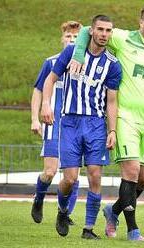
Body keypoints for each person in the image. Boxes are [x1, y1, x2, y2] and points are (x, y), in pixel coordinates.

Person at [69, 4, 144, 241]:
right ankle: (133, 230)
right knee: (131, 171)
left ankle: (114, 210)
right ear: (141, 23)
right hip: (125, 117)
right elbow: (86, 29)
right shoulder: (123, 39)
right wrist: (78, 54)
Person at [41, 15, 121, 239]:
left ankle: (88, 229)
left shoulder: (112, 65)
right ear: (92, 31)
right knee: (70, 179)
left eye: (108, 31)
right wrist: (46, 104)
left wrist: (112, 130)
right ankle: (63, 210)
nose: (104, 34)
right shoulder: (72, 52)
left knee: (95, 176)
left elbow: (112, 101)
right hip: (70, 123)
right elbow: (50, 80)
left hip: (96, 124)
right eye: (101, 30)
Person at [31, 21, 82, 225]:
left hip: (76, 125)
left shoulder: (85, 64)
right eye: (68, 37)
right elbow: (38, 90)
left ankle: (65, 213)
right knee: (50, 171)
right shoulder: (51, 63)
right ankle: (39, 198)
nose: (71, 40)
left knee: (73, 176)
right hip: (53, 122)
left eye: (76, 38)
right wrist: (35, 118)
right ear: (62, 39)